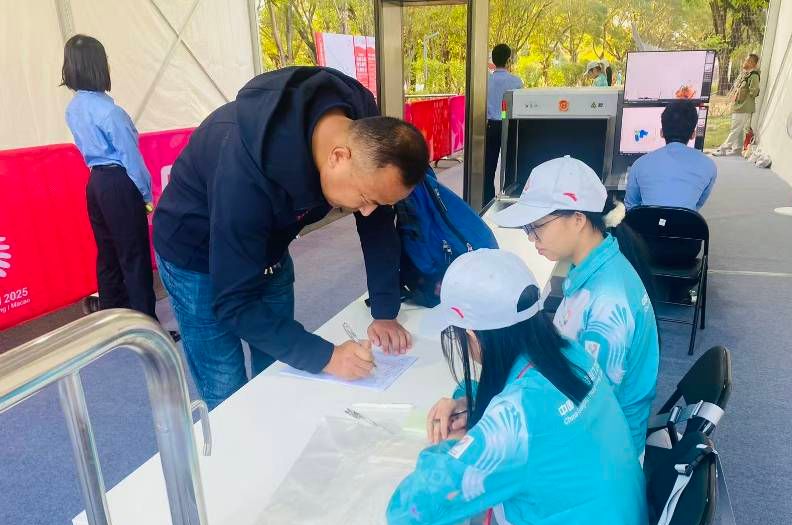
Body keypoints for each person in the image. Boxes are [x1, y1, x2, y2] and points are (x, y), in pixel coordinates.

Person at [387, 249, 646, 525]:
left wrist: (447, 447)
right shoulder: (570, 352)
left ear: (471, 336)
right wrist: (469, 400)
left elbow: (409, 511)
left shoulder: (512, 424)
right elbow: (522, 397)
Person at [153, 66, 429, 409]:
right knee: (226, 384)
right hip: (195, 252)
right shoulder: (244, 173)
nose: (368, 210)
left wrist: (385, 309)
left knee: (278, 366)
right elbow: (233, 302)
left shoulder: (366, 135)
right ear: (337, 157)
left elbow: (378, 224)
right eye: (364, 198)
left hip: (268, 242)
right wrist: (327, 356)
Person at [493, 157, 659, 458]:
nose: (531, 238)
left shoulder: (608, 304)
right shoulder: (593, 267)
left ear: (578, 219)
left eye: (536, 226)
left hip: (602, 454)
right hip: (589, 431)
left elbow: (586, 408)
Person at [62, 34, 157, 320]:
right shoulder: (111, 112)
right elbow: (131, 158)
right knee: (134, 256)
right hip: (119, 183)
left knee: (107, 256)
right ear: (99, 65)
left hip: (95, 184)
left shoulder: (73, 108)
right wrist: (146, 195)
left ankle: (112, 319)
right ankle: (146, 325)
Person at [624, 101, 717, 212]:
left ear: (661, 132)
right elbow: (697, 204)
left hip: (647, 223)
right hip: (686, 223)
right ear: (693, 134)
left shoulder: (640, 164)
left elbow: (631, 206)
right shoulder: (709, 166)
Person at [484, 44, 523, 204]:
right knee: (511, 166)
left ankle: (487, 201)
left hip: (491, 126)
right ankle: (508, 198)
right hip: (510, 127)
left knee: (488, 168)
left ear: (493, 60)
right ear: (508, 60)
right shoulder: (516, 82)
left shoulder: (486, 82)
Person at [713, 53, 760, 156]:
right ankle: (737, 149)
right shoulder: (744, 75)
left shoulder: (753, 76)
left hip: (744, 107)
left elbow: (754, 92)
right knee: (738, 129)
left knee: (735, 129)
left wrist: (745, 92)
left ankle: (723, 149)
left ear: (752, 63)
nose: (745, 62)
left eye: (747, 61)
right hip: (738, 106)